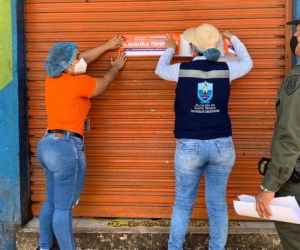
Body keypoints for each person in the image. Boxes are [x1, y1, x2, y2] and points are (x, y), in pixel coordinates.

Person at [155, 24, 253, 250]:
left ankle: (175, 247)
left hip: (189, 145)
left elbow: (160, 70)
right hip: (222, 145)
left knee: (182, 204)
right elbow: (248, 63)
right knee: (217, 204)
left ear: (192, 48)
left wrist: (169, 49)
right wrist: (234, 38)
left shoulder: (181, 69)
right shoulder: (227, 68)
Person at [37, 36, 127, 250]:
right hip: (66, 149)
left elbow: (81, 59)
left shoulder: (52, 78)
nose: (81, 59)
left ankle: (43, 246)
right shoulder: (81, 83)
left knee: (50, 202)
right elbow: (103, 83)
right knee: (63, 208)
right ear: (66, 65)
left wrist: (107, 46)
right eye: (76, 57)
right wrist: (115, 69)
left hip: (47, 145)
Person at [255, 18, 300, 250]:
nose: (296, 37)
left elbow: (289, 138)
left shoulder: (297, 81)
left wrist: (269, 187)